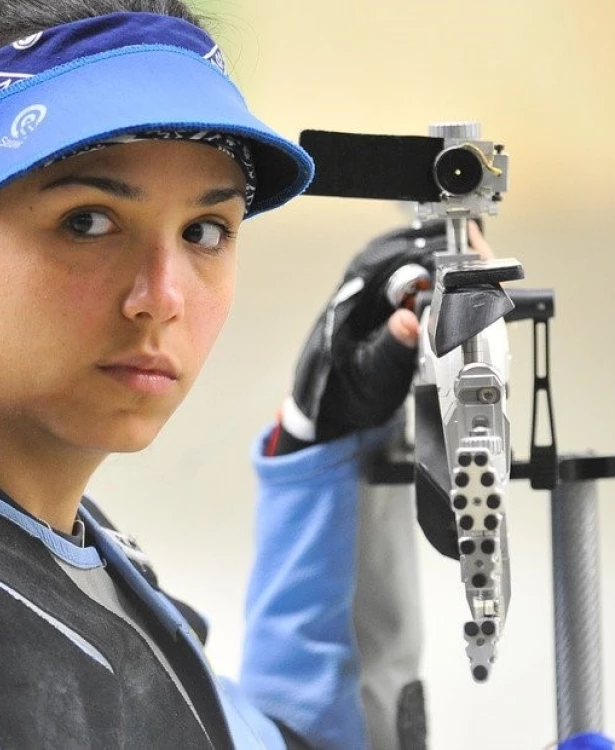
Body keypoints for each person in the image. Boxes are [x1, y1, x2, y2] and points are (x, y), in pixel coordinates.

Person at [0, 1, 448, 748]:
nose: (161, 299)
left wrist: (328, 449)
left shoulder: (73, 555)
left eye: (205, 232)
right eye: (88, 221)